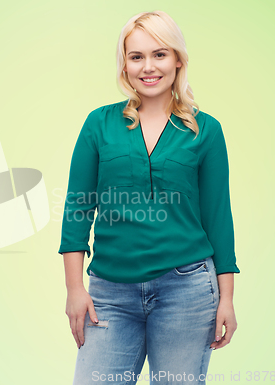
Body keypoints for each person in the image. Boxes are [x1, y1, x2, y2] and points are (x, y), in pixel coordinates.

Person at [58, 11, 240, 385]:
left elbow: (218, 216)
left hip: (187, 290)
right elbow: (78, 206)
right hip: (109, 293)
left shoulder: (205, 130)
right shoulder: (99, 123)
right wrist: (75, 289)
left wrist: (227, 298)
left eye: (159, 54)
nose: (148, 67)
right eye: (136, 56)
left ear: (177, 60)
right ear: (124, 65)